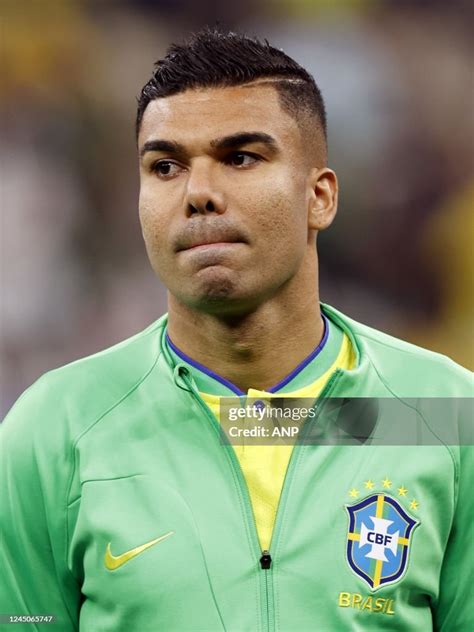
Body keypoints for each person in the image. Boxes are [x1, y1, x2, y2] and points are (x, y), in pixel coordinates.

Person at [1, 28, 472, 632]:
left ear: (320, 197)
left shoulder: (441, 413)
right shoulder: (55, 430)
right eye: (165, 166)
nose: (199, 193)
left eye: (240, 158)